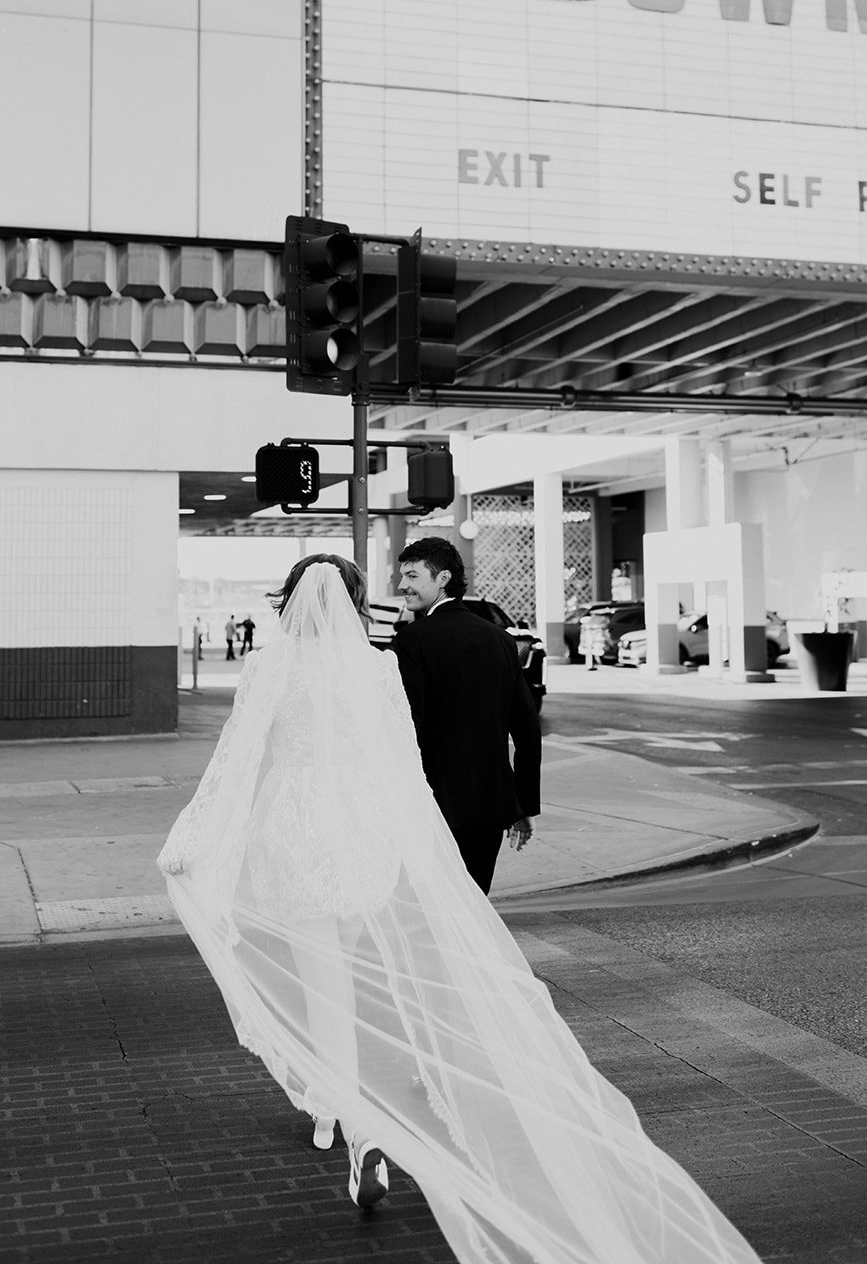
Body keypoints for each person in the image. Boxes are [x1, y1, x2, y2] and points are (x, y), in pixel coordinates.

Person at [157, 555, 761, 1264]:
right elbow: (401, 766)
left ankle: (339, 1113)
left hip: (291, 830)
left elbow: (237, 761)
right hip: (360, 833)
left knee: (317, 976)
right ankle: (359, 1123)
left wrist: (195, 838)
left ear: (289, 599)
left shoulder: (266, 667)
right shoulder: (377, 667)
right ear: (353, 601)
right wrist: (420, 849)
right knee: (358, 969)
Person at [392, 537, 540, 893]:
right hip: (491, 805)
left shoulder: (412, 641)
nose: (402, 585)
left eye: (412, 576)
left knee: (433, 911)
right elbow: (526, 728)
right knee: (473, 905)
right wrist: (522, 804)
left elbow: (408, 727)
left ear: (443, 578)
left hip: (433, 804)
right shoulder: (501, 640)